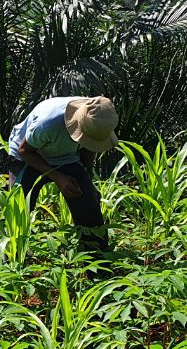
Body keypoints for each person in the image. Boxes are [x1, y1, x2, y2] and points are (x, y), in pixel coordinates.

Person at [6, 96, 119, 254]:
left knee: (89, 207)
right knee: (19, 210)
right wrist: (58, 177)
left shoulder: (99, 117)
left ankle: (98, 267)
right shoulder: (48, 123)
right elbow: (24, 151)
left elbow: (89, 147)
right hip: (30, 156)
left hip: (67, 157)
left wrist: (88, 181)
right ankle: (13, 261)